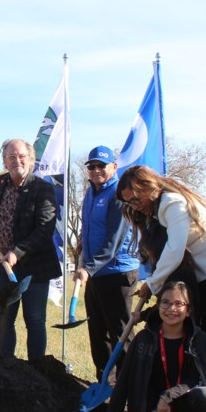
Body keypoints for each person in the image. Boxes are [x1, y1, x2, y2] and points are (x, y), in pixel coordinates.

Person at [116, 165, 206, 398]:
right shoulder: (154, 213)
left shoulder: (172, 203)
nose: (134, 205)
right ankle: (188, 400)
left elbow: (175, 250)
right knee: (192, 338)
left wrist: (151, 284)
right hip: (199, 277)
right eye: (128, 202)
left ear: (148, 187)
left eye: (135, 198)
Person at [104, 281, 206, 412]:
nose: (171, 309)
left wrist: (169, 397)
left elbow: (204, 380)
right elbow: (124, 381)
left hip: (186, 408)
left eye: (179, 304)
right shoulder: (143, 339)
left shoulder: (199, 340)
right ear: (158, 306)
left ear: (188, 310)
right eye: (166, 303)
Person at [0, 138, 61, 360]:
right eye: (11, 156)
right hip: (4, 266)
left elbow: (45, 230)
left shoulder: (42, 188)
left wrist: (17, 253)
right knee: (4, 317)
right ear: (4, 161)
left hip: (35, 267)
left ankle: (36, 369)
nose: (17, 160)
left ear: (31, 160)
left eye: (22, 156)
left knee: (34, 319)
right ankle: (6, 366)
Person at [75, 146, 139, 380]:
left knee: (120, 334)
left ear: (114, 167)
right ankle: (105, 386)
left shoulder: (118, 195)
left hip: (117, 273)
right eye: (91, 166)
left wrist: (87, 269)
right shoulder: (91, 192)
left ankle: (129, 389)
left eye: (101, 165)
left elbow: (114, 241)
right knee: (98, 332)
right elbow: (92, 226)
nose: (96, 170)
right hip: (95, 272)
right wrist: (82, 239)